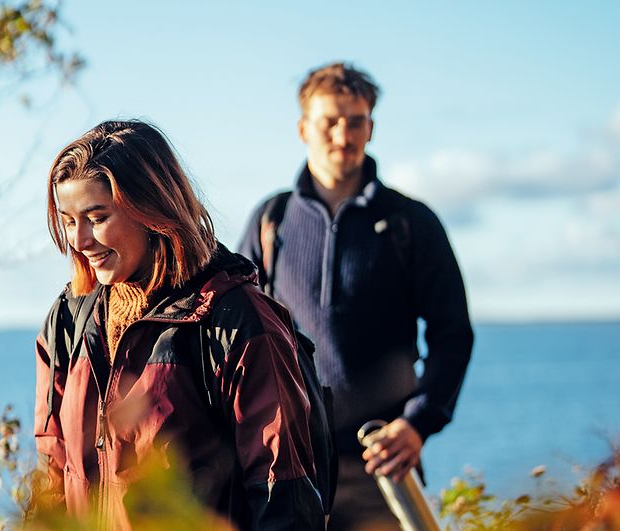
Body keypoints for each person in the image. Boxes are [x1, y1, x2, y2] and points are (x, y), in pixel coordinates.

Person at [34, 120, 325, 530]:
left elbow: (284, 497)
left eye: (97, 217)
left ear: (151, 211)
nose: (79, 240)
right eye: (67, 221)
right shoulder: (69, 318)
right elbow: (54, 467)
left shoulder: (238, 321)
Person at [237, 62, 474, 530]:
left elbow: (453, 334)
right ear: (304, 128)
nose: (343, 135)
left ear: (372, 127)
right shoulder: (271, 220)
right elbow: (234, 332)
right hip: (288, 465)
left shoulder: (410, 222)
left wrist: (417, 424)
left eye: (356, 121)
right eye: (330, 121)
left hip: (381, 465)